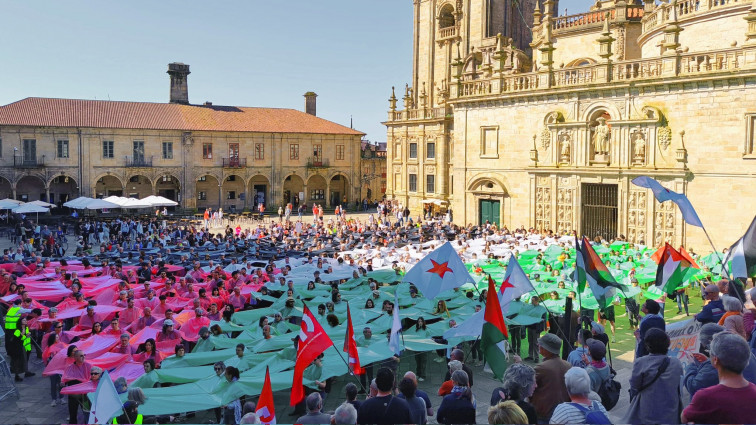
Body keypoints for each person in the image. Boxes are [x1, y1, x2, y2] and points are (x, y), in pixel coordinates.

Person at [682, 331, 756, 424]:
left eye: (710, 353)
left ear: (715, 359)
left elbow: (685, 418)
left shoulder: (705, 396)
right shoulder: (753, 392)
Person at [623, 328, 683, 425]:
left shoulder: (641, 363)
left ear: (647, 345)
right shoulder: (676, 363)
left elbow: (634, 386)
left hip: (649, 411)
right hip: (670, 411)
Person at [683, 323, 756, 396]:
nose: (707, 350)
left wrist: (691, 365)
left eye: (708, 348)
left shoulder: (719, 361)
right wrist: (706, 362)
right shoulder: (742, 349)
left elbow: (693, 387)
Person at [529, 333, 571, 422]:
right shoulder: (568, 365)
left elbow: (527, 387)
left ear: (546, 349)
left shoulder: (541, 368)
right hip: (562, 413)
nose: (538, 345)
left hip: (543, 414)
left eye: (541, 344)